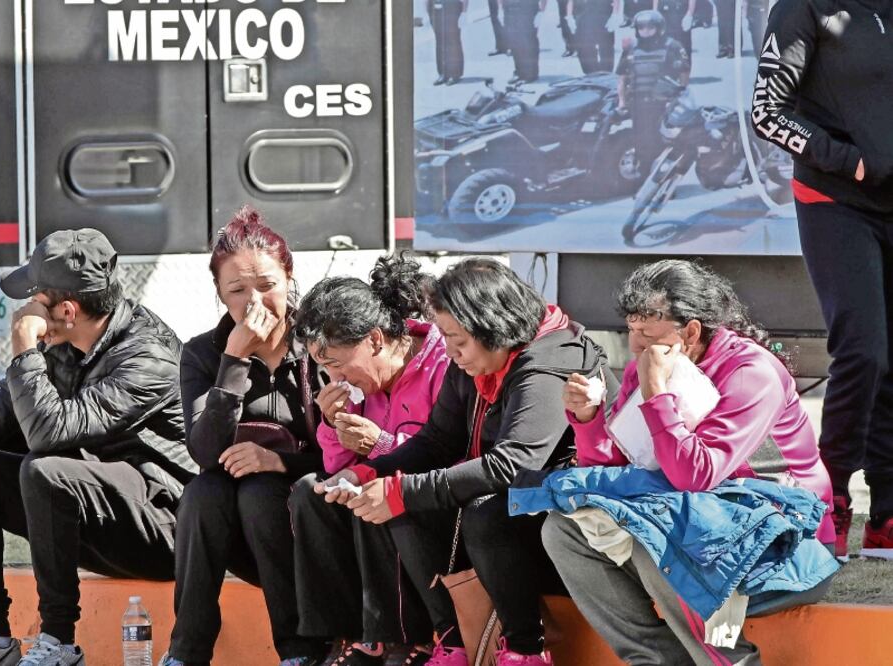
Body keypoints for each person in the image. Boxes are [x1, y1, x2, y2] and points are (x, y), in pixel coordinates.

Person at [0, 228, 195, 666]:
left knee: (44, 469)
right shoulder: (70, 346)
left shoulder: (146, 358)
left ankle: (58, 642)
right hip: (101, 514)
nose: (25, 310)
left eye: (35, 300)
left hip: (164, 530)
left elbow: (48, 434)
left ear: (67, 310)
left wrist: (22, 346)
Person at [318, 259, 613, 666]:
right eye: (445, 338)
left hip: (574, 518)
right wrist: (367, 471)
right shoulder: (475, 362)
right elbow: (438, 440)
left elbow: (513, 464)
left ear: (492, 326)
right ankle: (454, 642)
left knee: (482, 512)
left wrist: (401, 490)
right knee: (408, 507)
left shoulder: (548, 361)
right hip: (516, 509)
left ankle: (526, 650)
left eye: (458, 340)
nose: (451, 352)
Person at [545, 260, 837, 664]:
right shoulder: (645, 369)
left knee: (657, 532)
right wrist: (589, 419)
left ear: (692, 332)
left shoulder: (751, 373)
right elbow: (614, 474)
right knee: (565, 528)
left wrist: (656, 392)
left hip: (786, 548)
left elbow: (694, 476)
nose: (635, 347)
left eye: (647, 334)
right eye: (631, 331)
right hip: (703, 529)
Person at [751, 0, 893, 558]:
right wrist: (849, 160)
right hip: (835, 198)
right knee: (863, 350)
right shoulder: (804, 7)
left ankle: (886, 514)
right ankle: (826, 496)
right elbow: (767, 112)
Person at [161, 207, 328, 666]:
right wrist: (233, 360)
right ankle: (186, 653)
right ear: (219, 294)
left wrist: (280, 462)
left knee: (260, 492)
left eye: (268, 285)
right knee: (202, 492)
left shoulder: (320, 345)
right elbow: (205, 452)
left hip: (309, 524)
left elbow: (344, 455)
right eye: (237, 290)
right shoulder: (203, 353)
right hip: (237, 536)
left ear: (289, 279)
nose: (255, 302)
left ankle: (300, 652)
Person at [289, 255, 451, 665]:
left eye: (336, 363)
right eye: (324, 368)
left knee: (378, 492)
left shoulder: (443, 361)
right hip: (380, 505)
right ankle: (348, 636)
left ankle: (404, 638)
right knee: (311, 492)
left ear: (375, 340)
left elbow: (444, 453)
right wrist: (332, 424)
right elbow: (336, 466)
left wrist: (380, 444)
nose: (335, 378)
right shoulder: (361, 387)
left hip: (438, 505)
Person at [617, 10, 691, 175]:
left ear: (659, 28)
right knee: (641, 141)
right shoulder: (631, 48)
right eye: (641, 28)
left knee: (663, 141)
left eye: (650, 28)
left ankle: (666, 176)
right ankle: (644, 176)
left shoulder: (672, 46)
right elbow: (622, 78)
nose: (646, 31)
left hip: (663, 103)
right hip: (638, 103)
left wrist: (680, 95)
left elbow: (684, 73)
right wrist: (622, 101)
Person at [567, 0, 622, 74]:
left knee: (606, 47)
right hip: (582, 14)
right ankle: (591, 73)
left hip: (603, 12)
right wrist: (569, 16)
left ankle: (606, 73)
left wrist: (615, 15)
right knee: (584, 48)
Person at [503, 0, 546, 84]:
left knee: (527, 40)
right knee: (514, 40)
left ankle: (531, 74)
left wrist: (541, 11)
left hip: (528, 7)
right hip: (510, 6)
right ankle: (519, 72)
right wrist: (501, 8)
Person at [428, 0, 467, 86]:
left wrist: (464, 13)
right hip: (435, 7)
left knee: (453, 40)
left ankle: (455, 73)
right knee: (439, 41)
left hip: (452, 6)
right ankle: (443, 73)